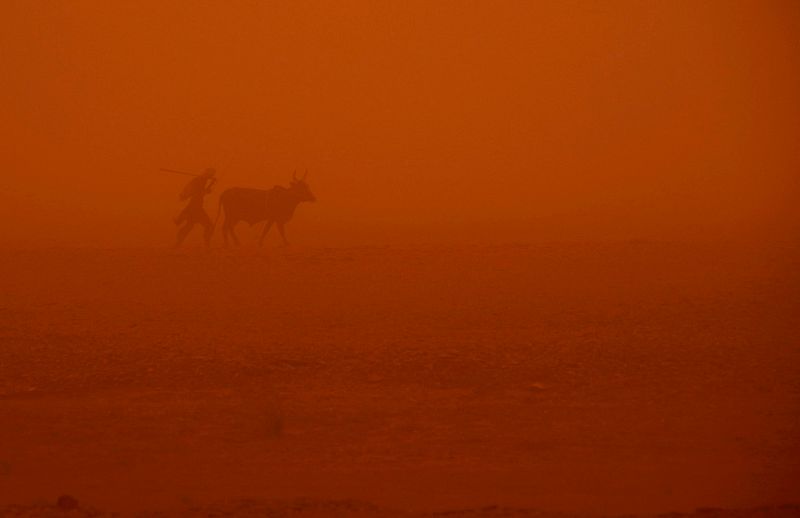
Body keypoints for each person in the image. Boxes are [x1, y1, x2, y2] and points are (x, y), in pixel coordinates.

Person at [175, 168, 216, 247]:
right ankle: (207, 245)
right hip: (196, 208)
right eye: (211, 174)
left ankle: (178, 243)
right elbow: (199, 192)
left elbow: (202, 191)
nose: (212, 175)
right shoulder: (199, 180)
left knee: (189, 226)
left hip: (195, 207)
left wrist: (210, 184)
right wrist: (208, 187)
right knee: (209, 226)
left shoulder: (201, 180)